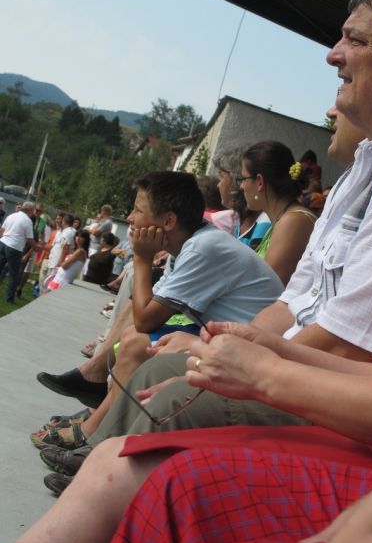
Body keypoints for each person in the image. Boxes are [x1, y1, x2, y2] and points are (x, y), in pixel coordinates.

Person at [35, 0, 372, 488]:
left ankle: (106, 473)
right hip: (313, 366)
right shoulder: (367, 163)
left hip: (341, 391)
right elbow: (292, 302)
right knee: (158, 361)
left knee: (164, 374)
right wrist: (229, 349)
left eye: (356, 41)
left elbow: (354, 345)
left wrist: (251, 363)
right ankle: (103, 461)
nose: (332, 55)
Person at [34, 171, 283, 445]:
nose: (130, 218)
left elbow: (146, 320)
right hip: (228, 338)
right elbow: (148, 309)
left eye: (138, 210)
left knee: (136, 343)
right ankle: (98, 422)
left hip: (253, 352)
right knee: (132, 338)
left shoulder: (202, 248)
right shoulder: (192, 242)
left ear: (168, 221)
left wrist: (142, 258)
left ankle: (97, 434)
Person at [239, 140, 316, 286]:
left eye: (243, 179)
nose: (241, 186)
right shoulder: (283, 218)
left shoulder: (293, 221)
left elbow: (265, 288)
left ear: (260, 182)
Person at [0, 201, 35, 303]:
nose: (33, 213)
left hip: (3, 243)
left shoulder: (11, 216)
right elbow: (29, 239)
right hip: (14, 247)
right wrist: (36, 246)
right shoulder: (27, 221)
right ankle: (10, 298)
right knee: (14, 274)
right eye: (33, 211)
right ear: (30, 210)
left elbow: (2, 230)